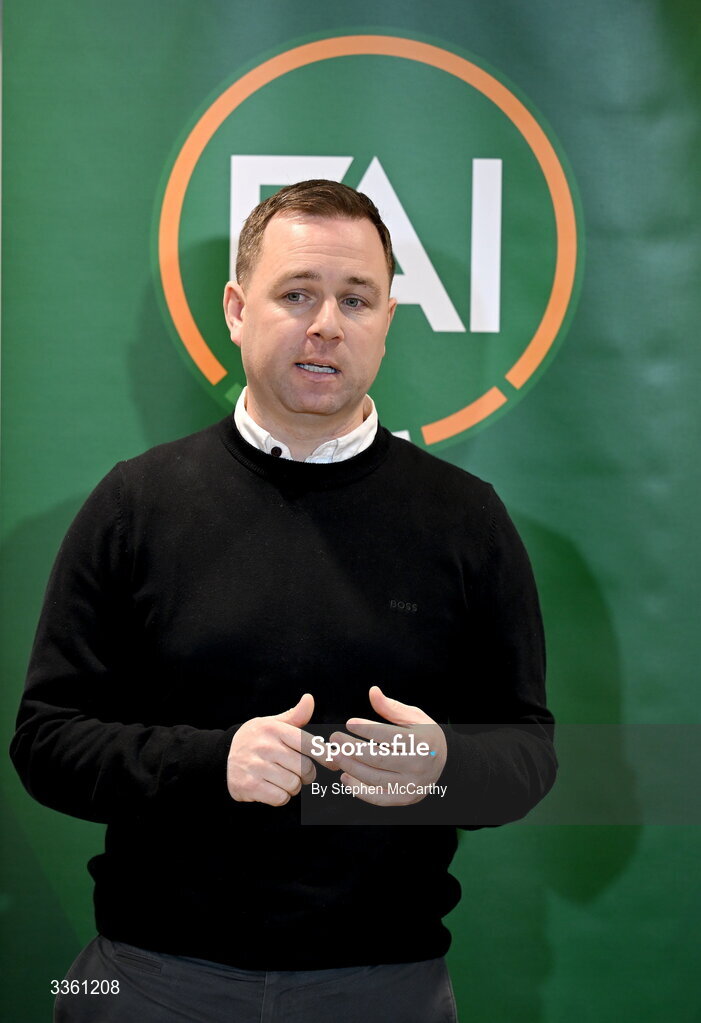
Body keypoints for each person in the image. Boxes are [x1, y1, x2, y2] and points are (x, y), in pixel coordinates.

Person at [10, 179, 557, 1022]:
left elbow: (528, 755)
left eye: (355, 299)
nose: (326, 324)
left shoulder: (466, 519)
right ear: (236, 308)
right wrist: (208, 764)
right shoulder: (135, 504)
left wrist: (444, 768)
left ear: (387, 320)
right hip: (142, 976)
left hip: (388, 985)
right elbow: (45, 741)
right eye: (296, 293)